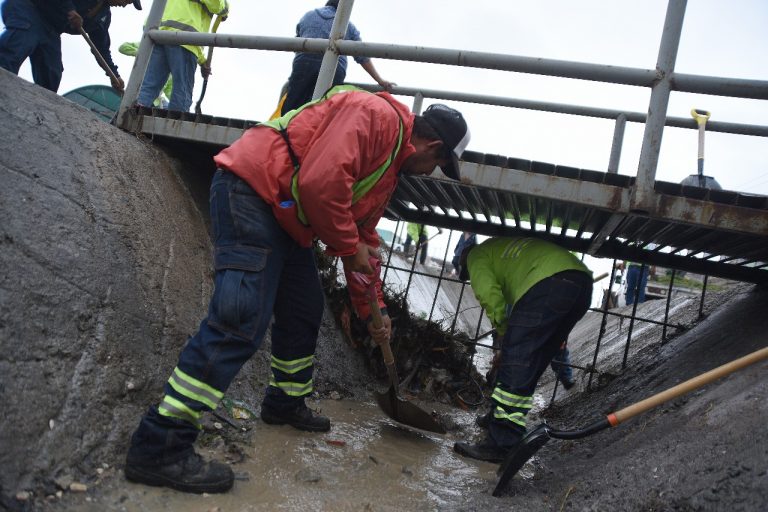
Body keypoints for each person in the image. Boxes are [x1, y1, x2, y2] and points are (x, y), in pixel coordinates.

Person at [123, 85, 471, 494]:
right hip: (254, 192)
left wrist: (373, 308)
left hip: (290, 221)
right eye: (437, 163)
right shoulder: (375, 116)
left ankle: (285, 402)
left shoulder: (387, 171)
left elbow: (364, 241)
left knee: (304, 311)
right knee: (240, 319)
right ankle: (160, 444)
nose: (431, 173)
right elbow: (321, 185)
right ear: (432, 145)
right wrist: (347, 246)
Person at [454, 237, 592, 463]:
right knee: (532, 361)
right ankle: (497, 418)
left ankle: (502, 443)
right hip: (580, 284)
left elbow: (489, 295)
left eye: (467, 275)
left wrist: (504, 334)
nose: (470, 278)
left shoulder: (476, 256)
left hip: (549, 283)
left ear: (463, 260)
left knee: (516, 361)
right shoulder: (497, 251)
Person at [280, 0, 395, 116]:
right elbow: (362, 56)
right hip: (334, 70)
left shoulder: (308, 16)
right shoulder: (347, 26)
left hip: (304, 63)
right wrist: (380, 80)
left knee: (293, 104)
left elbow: (297, 43)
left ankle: (284, 130)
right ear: (343, 10)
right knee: (321, 110)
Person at [0, 0, 140, 93]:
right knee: (20, 42)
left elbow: (101, 49)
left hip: (51, 30)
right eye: (127, 0)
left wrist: (113, 74)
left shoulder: (103, 17)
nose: (125, 4)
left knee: (52, 74)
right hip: (29, 7)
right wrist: (70, 10)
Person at [136, 0, 229, 112]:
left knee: (149, 85)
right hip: (184, 36)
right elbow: (217, 5)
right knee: (182, 91)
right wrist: (225, 9)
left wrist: (202, 60)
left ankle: (130, 119)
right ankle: (172, 126)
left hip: (158, 31)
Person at [119, 40, 171, 107]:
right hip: (138, 93)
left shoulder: (170, 68)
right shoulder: (146, 46)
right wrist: (144, 54)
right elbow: (123, 47)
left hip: (156, 101)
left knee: (170, 109)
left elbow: (169, 91)